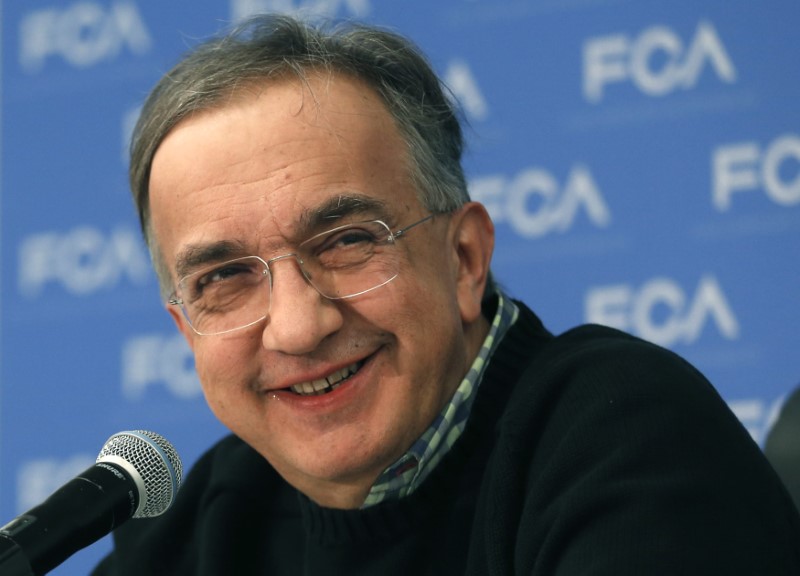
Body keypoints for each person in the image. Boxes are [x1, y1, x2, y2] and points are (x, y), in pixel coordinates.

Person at [93, 13, 800, 575]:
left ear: (464, 259)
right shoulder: (207, 524)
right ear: (188, 332)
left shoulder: (622, 432)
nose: (298, 328)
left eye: (345, 241)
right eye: (224, 279)